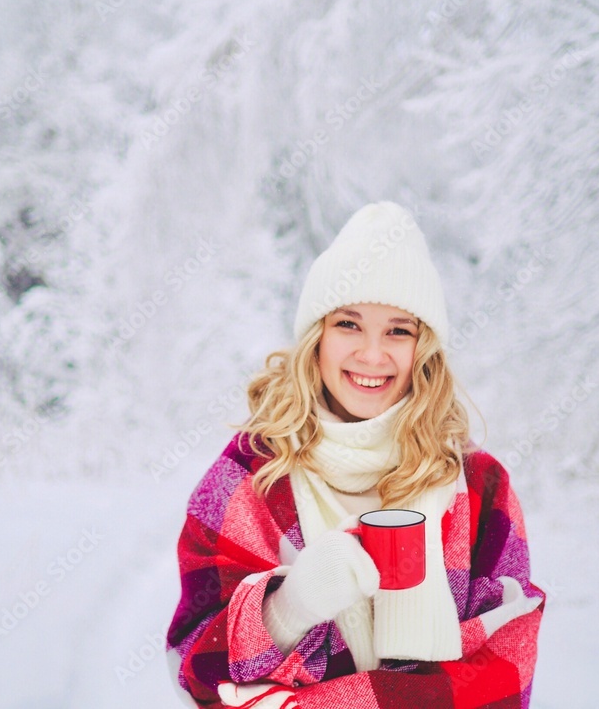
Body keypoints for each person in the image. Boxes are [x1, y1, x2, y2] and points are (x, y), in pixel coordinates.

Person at [166, 201, 546, 709]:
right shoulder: (247, 478)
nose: (372, 354)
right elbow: (196, 669)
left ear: (423, 349)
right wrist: (289, 606)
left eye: (398, 330)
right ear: (316, 338)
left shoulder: (478, 487)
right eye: (348, 324)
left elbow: (506, 673)